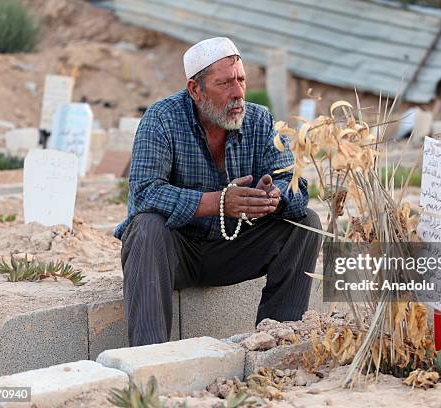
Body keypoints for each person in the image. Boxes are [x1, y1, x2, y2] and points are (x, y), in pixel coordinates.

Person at [114, 37, 322, 347]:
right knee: (145, 226)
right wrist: (217, 202)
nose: (238, 93)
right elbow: (145, 193)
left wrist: (274, 197)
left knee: (305, 222)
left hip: (233, 249)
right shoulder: (161, 119)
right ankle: (148, 356)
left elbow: (293, 184)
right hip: (174, 253)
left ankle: (277, 341)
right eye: (224, 83)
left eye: (240, 80)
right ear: (195, 90)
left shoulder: (260, 120)